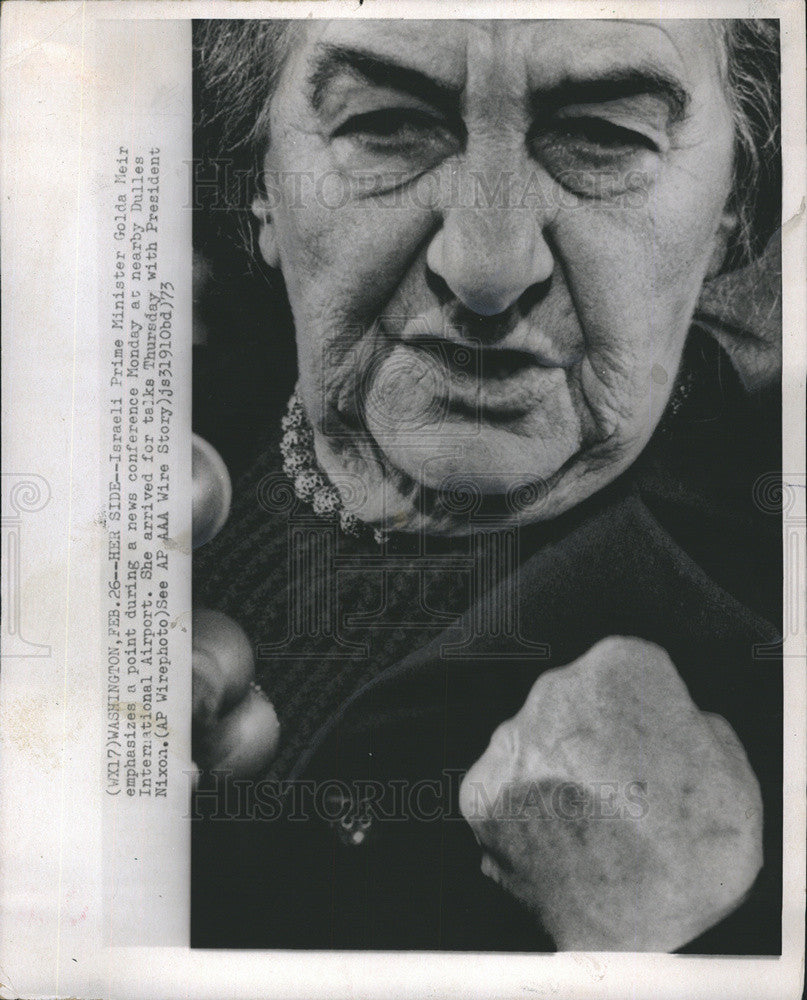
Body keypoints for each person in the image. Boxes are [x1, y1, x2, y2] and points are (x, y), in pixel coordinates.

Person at [190, 18, 782, 952]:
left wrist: (659, 942)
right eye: (385, 125)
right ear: (259, 183)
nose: (487, 268)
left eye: (604, 139)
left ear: (729, 218)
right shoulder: (138, 432)